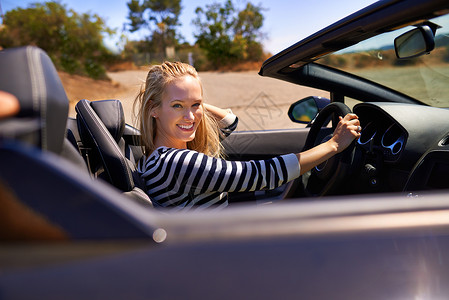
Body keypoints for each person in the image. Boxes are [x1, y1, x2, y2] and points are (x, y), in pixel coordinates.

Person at [134, 61, 361, 211]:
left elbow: (229, 123)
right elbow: (257, 175)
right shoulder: (175, 162)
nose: (190, 116)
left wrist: (188, 101)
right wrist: (333, 145)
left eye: (196, 105)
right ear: (153, 109)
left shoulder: (155, 158)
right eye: (176, 106)